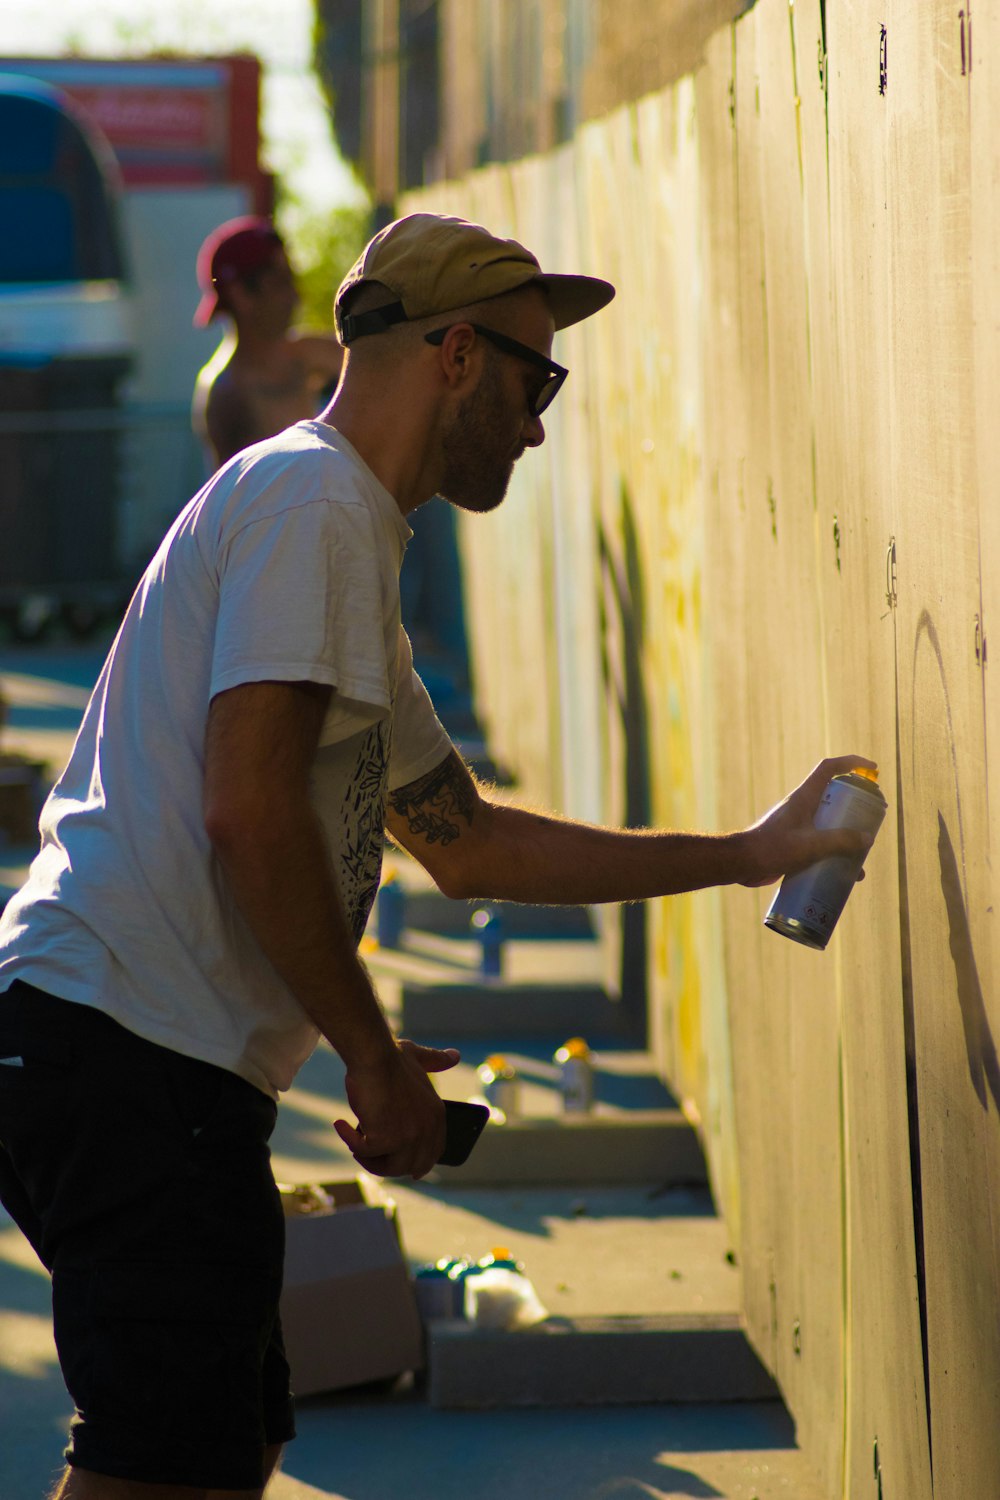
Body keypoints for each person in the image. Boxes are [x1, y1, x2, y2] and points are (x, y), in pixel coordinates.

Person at [0, 211, 875, 1500]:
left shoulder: (342, 535)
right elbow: (248, 808)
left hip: (135, 1060)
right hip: (125, 1057)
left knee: (230, 1448)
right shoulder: (311, 505)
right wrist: (366, 1056)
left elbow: (466, 845)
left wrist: (751, 853)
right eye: (538, 380)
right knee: (167, 1470)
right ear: (456, 354)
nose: (539, 421)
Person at [191, 215, 344, 471]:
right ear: (241, 295)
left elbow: (373, 359)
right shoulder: (229, 392)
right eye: (281, 283)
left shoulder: (302, 354)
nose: (296, 296)